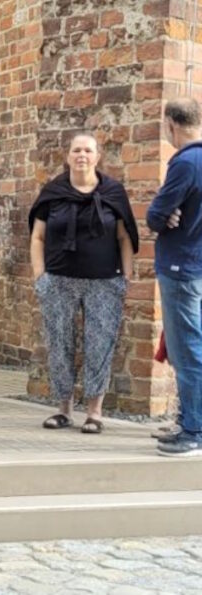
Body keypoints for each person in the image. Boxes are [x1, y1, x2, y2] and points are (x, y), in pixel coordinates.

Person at [30, 133, 138, 434]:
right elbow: (37, 236)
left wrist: (126, 276)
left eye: (88, 150)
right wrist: (40, 275)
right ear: (68, 156)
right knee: (60, 342)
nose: (82, 155)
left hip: (104, 280)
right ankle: (63, 410)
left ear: (97, 156)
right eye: (76, 150)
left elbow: (124, 236)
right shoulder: (52, 192)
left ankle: (94, 412)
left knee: (99, 344)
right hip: (59, 279)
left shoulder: (113, 192)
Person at [147, 98, 202, 457]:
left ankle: (193, 430)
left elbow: (155, 215)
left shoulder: (185, 163)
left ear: (171, 124)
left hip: (182, 265)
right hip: (196, 265)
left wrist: (162, 215)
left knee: (187, 351)